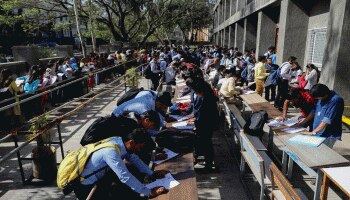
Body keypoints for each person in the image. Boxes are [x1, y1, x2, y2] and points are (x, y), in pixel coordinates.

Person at [74, 129, 170, 199]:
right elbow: (124, 176)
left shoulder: (120, 141)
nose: (139, 150)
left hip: (100, 177)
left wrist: (152, 173)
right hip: (86, 187)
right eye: (140, 147)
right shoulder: (111, 151)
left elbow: (134, 158)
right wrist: (149, 192)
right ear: (132, 142)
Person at [192, 80, 219, 172]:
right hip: (206, 124)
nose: (196, 94)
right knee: (206, 143)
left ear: (202, 91)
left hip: (206, 125)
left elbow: (203, 115)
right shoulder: (207, 96)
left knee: (207, 144)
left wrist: (196, 120)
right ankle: (207, 161)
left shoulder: (207, 99)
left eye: (197, 92)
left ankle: (208, 165)